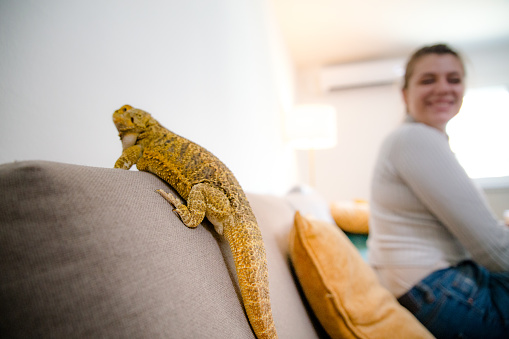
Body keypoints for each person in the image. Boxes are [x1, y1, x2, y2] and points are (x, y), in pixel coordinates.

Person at [367, 43, 509, 338]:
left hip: (429, 286)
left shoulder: (419, 140)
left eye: (454, 79)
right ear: (405, 94)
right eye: (428, 80)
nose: (443, 88)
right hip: (435, 289)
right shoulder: (414, 139)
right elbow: (494, 253)